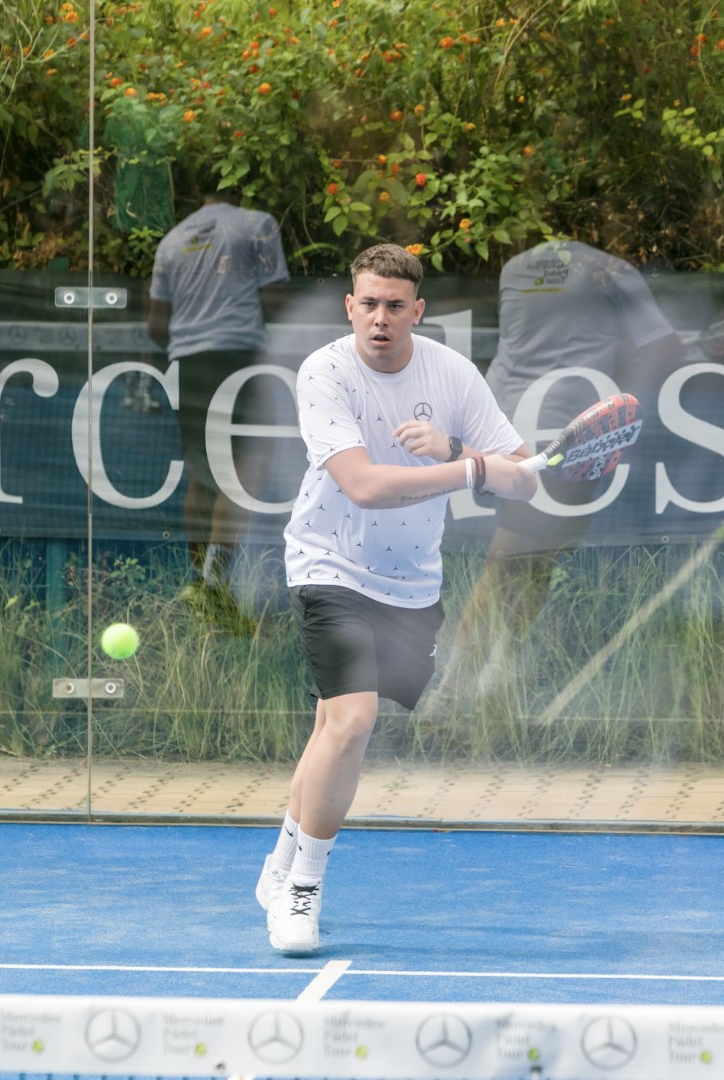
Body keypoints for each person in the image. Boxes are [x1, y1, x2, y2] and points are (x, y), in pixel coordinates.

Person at [257, 243, 538, 955]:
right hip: (327, 561)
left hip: (412, 581)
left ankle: (281, 860)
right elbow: (364, 485)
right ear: (349, 307)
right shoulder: (325, 371)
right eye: (368, 304)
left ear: (417, 311)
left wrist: (456, 450)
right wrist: (468, 469)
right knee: (354, 721)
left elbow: (524, 478)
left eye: (394, 306)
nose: (379, 318)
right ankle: (303, 890)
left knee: (333, 727)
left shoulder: (453, 374)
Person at [435, 239, 684, 705]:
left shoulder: (515, 267)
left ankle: (495, 680)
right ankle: (450, 693)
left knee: (536, 557)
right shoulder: (611, 269)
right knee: (510, 558)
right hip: (570, 432)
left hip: (505, 425)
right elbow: (666, 351)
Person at [146, 190, 289, 630]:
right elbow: (276, 303)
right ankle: (213, 585)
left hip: (189, 365)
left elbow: (156, 325)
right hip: (237, 359)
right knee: (247, 470)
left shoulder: (172, 240)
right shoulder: (257, 223)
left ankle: (199, 584)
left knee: (201, 475)